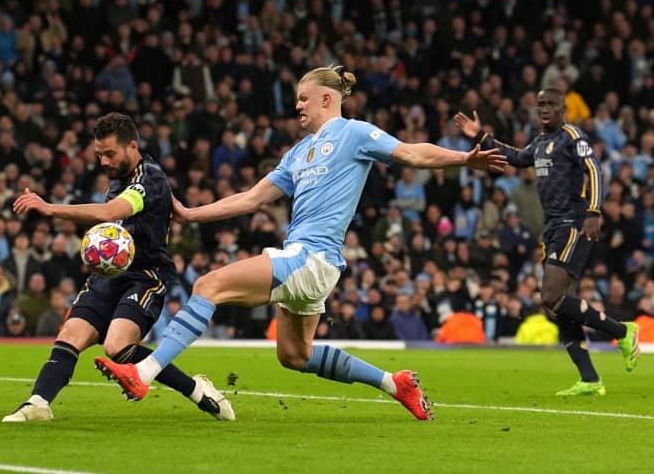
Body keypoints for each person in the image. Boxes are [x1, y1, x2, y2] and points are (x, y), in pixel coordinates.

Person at [99, 66, 509, 421]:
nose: (298, 106)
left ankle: (144, 372)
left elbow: (411, 154)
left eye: (303, 98)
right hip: (312, 262)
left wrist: (461, 159)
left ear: (327, 98)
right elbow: (251, 198)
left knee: (208, 285)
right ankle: (394, 383)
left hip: (310, 257)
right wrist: (191, 213)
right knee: (294, 355)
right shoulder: (297, 154)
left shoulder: (354, 133)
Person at [5, 112, 234, 422]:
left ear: (132, 147)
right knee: (70, 334)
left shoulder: (148, 177)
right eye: (99, 154)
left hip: (145, 277)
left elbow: (110, 212)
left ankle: (195, 388)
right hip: (109, 275)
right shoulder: (121, 178)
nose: (103, 161)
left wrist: (49, 208)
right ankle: (38, 404)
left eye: (110, 153)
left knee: (117, 346)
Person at [454, 88, 640, 396]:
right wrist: (481, 136)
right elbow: (515, 157)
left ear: (563, 108)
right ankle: (590, 380)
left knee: (551, 295)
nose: (544, 109)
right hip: (553, 228)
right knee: (562, 306)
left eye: (550, 104)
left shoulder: (572, 135)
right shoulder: (540, 143)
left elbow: (594, 169)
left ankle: (623, 331)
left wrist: (593, 211)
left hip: (574, 224)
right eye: (540, 104)